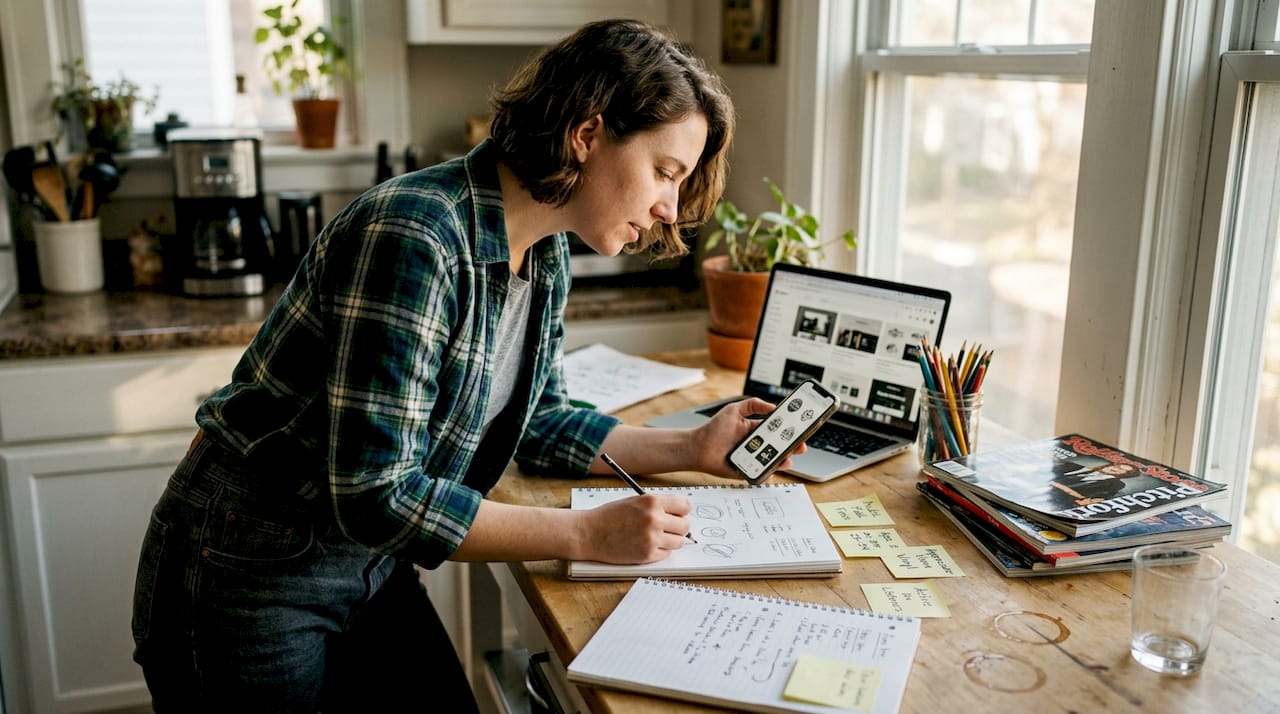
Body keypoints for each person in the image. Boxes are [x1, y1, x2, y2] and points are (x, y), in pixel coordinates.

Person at [129, 18, 783, 713]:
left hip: (368, 563)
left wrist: (691, 446)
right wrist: (587, 533)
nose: (667, 208)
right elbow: (377, 494)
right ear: (587, 135)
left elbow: (539, 421)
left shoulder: (548, 247)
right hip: (246, 570)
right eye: (664, 172)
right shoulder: (416, 235)